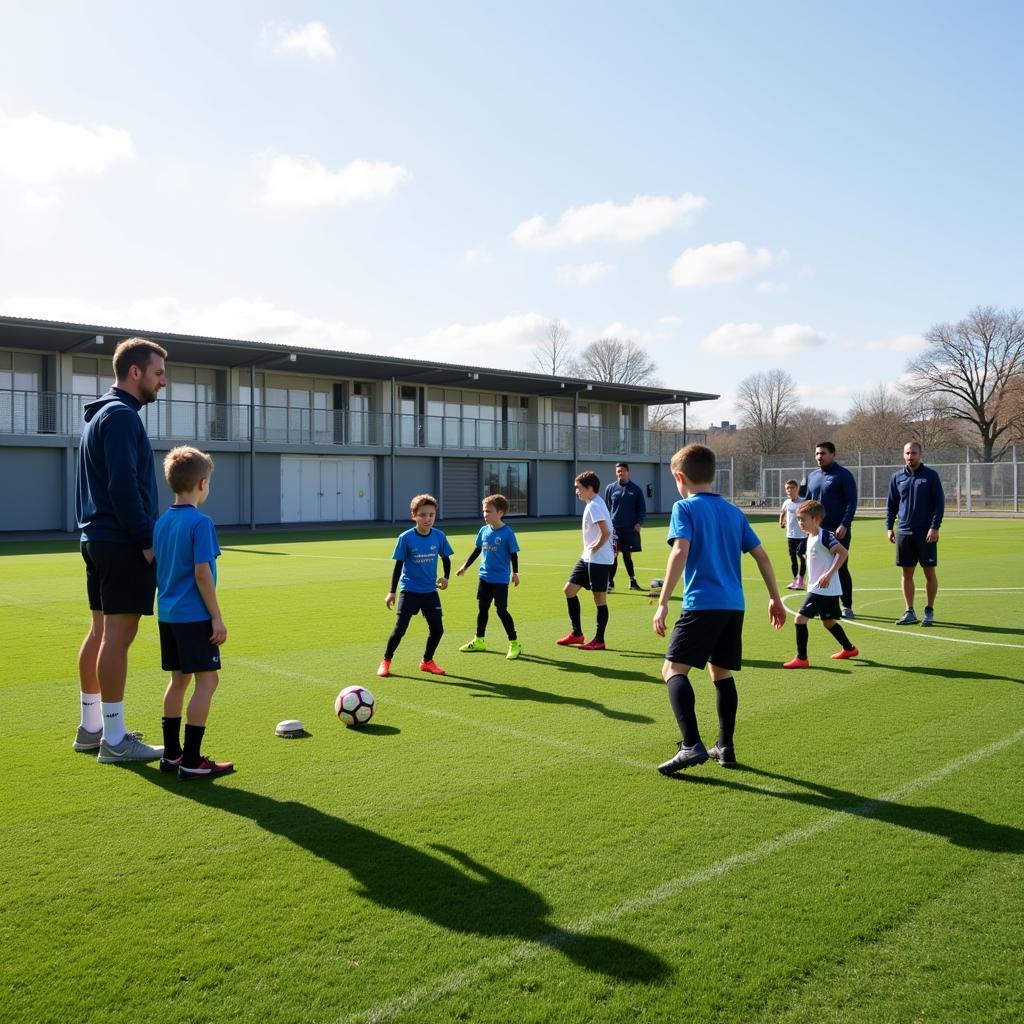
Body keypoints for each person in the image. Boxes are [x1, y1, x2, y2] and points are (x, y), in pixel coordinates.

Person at [653, 444, 786, 773]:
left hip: (702, 604)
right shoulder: (733, 512)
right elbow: (763, 556)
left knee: (672, 670)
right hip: (733, 605)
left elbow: (680, 551)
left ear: (680, 477)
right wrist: (775, 598)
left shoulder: (684, 508)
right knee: (720, 672)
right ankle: (724, 747)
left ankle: (690, 746)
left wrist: (662, 602)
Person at [74, 337, 168, 764]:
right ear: (135, 372)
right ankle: (114, 739)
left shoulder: (100, 416)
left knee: (99, 634)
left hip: (97, 540)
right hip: (119, 541)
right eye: (158, 373)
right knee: (118, 638)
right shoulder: (122, 418)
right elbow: (123, 487)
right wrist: (147, 539)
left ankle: (92, 728)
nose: (162, 382)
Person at [153, 446, 233, 780]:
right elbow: (203, 573)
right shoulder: (201, 523)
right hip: (193, 615)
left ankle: (172, 755)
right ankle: (193, 760)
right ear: (202, 483)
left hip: (168, 614)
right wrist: (216, 616)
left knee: (178, 680)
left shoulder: (162, 522)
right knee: (208, 681)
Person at [378, 494, 453, 677]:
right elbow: (398, 566)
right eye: (423, 515)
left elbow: (446, 559)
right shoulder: (406, 538)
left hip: (429, 592)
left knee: (438, 629)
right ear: (414, 516)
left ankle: (427, 661)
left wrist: (445, 578)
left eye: (431, 514)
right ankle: (386, 661)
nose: (428, 519)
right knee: (400, 628)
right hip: (410, 590)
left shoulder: (439, 536)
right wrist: (392, 592)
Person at [782, 500, 859, 668]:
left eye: (803, 519)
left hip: (822, 588)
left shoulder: (825, 535)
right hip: (825, 588)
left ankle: (802, 658)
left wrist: (829, 573)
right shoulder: (811, 537)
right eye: (798, 519)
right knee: (829, 622)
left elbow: (843, 552)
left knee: (800, 619)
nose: (800, 523)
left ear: (816, 519)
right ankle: (849, 649)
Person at [455, 494, 522, 660]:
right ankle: (479, 640)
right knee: (482, 609)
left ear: (500, 512)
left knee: (501, 610)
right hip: (484, 577)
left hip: (499, 579)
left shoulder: (507, 533)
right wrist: (465, 566)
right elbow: (478, 550)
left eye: (488, 511)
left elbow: (514, 554)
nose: (485, 514)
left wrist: (515, 573)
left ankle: (514, 643)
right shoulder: (483, 530)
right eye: (484, 511)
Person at [886, 441, 945, 626]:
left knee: (929, 571)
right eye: (907, 453)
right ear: (903, 455)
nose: (910, 456)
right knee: (906, 573)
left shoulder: (931, 476)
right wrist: (889, 527)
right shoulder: (897, 477)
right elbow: (891, 505)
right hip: (904, 532)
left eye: (914, 453)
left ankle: (929, 610)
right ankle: (909, 611)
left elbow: (939, 504)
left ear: (921, 454)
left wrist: (934, 527)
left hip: (925, 533)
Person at [556, 471, 614, 651]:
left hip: (599, 560)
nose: (576, 491)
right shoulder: (592, 503)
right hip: (587, 557)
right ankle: (577, 634)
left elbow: (606, 532)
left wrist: (596, 547)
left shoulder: (594, 505)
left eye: (578, 488)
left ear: (590, 488)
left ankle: (599, 640)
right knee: (569, 590)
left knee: (599, 599)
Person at [800, 441, 858, 619]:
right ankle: (822, 605)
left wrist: (844, 524)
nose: (819, 457)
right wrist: (806, 526)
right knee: (816, 567)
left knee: (840, 567)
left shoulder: (843, 475)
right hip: (816, 532)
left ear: (833, 454)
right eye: (817, 454)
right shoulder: (813, 476)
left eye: (823, 453)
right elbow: (807, 503)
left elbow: (851, 501)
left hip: (837, 530)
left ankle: (846, 606)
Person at [604, 462, 646, 592]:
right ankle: (610, 582)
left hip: (630, 529)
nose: (620, 474)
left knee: (627, 556)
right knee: (613, 555)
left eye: (622, 471)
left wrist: (639, 523)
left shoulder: (636, 489)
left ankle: (632, 581)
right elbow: (607, 508)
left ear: (628, 472)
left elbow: (642, 509)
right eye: (618, 471)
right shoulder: (610, 488)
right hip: (615, 529)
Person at [779, 478, 806, 589]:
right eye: (787, 488)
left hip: (803, 535)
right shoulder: (786, 503)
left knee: (802, 556)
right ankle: (795, 580)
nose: (789, 490)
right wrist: (781, 522)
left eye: (792, 488)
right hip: (790, 535)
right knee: (793, 558)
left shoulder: (803, 502)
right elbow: (783, 512)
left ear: (797, 488)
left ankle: (801, 581)